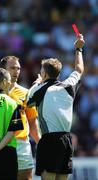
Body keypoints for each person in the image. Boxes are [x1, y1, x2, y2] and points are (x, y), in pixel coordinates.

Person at [27, 34, 85, 180]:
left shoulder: (38, 89)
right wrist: (79, 49)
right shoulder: (68, 86)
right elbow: (79, 69)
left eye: (41, 70)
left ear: (44, 73)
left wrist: (37, 82)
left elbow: (28, 103)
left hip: (49, 141)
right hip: (66, 140)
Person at [0, 56, 41, 180]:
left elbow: (32, 121)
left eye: (19, 68)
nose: (16, 71)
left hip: (21, 143)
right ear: (3, 69)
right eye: (13, 68)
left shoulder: (26, 93)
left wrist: (40, 143)